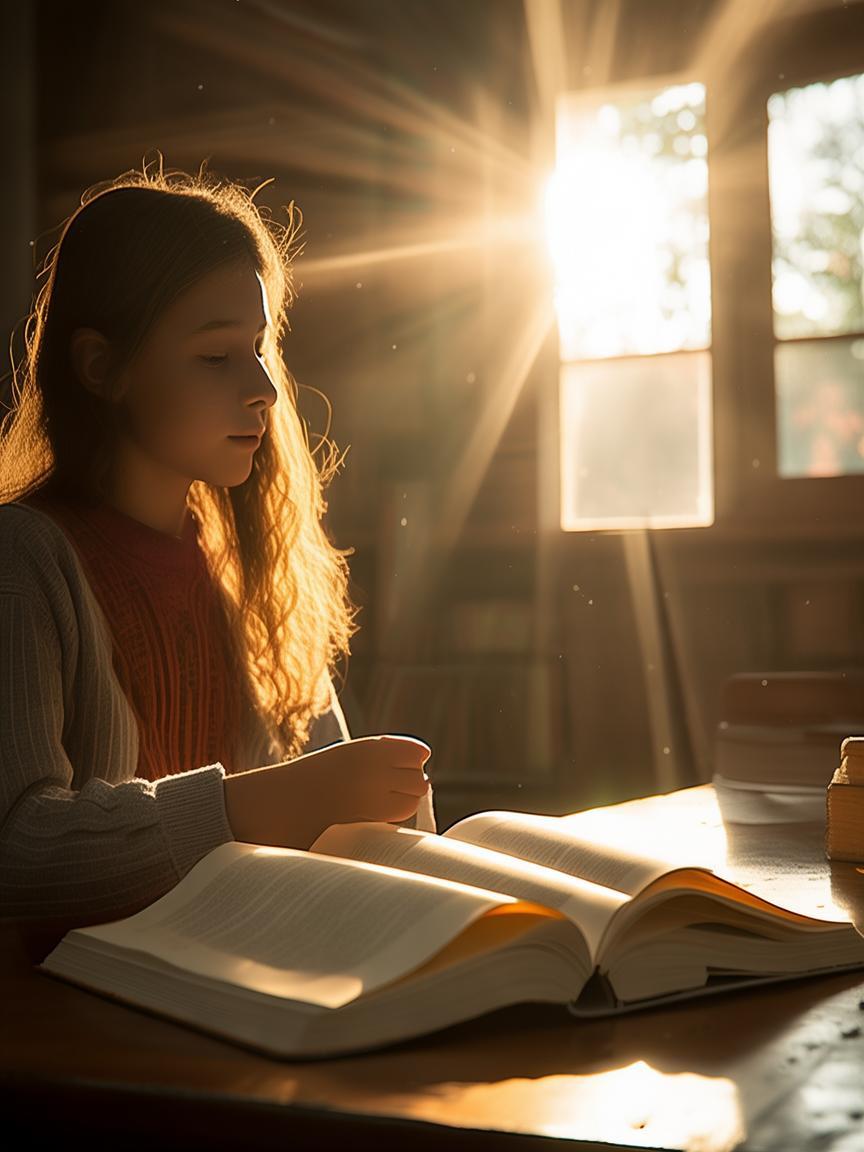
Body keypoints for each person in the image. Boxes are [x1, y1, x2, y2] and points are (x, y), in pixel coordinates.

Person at [0, 154, 435, 926]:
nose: (264, 389)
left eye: (260, 348)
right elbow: (19, 853)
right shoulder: (25, 560)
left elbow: (330, 800)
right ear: (102, 367)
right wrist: (256, 807)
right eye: (215, 356)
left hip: (248, 975)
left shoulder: (254, 572)